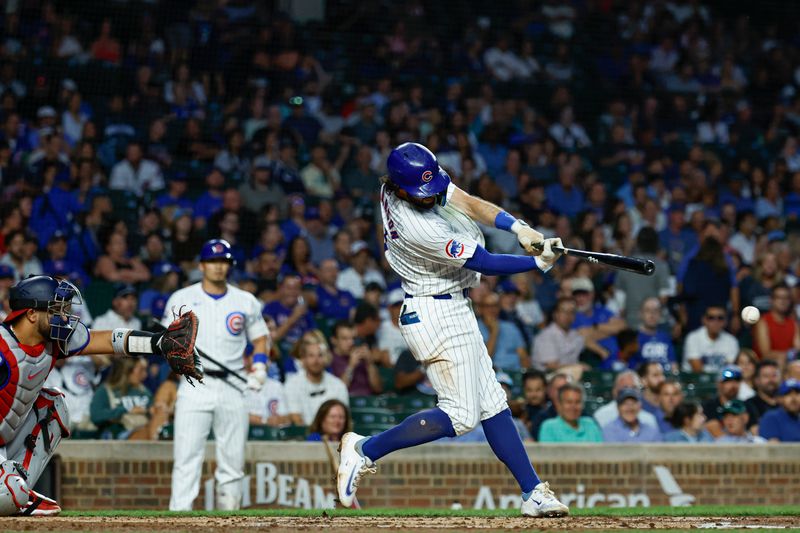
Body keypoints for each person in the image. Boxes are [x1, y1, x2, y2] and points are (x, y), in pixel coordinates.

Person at [337, 142, 569, 517]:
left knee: (493, 403)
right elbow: (485, 261)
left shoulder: (403, 182)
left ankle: (532, 492)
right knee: (461, 416)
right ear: (398, 189)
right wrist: (537, 263)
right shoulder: (418, 227)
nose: (431, 199)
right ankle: (365, 449)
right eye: (422, 195)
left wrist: (518, 227)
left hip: (453, 304)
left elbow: (468, 203)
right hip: (433, 310)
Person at [0, 275, 196, 515]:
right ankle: (14, 491)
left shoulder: (54, 339)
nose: (63, 317)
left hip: (7, 436)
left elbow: (106, 339)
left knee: (53, 406)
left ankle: (19, 490)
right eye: (55, 310)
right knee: (9, 492)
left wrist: (159, 343)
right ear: (31, 314)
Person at [164, 239, 270, 511]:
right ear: (201, 265)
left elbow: (260, 340)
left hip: (233, 386)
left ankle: (229, 519)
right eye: (213, 261)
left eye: (223, 261)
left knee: (233, 462)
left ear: (230, 265)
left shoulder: (245, 301)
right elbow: (167, 343)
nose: (218, 267)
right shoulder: (182, 298)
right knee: (186, 459)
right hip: (194, 382)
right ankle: (178, 520)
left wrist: (258, 368)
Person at [285, 338, 349, 426]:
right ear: (303, 360)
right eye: (311, 356)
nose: (316, 360)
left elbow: (342, 419)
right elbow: (296, 418)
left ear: (326, 358)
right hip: (304, 437)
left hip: (333, 437)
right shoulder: (292, 385)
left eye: (320, 355)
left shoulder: (338, 385)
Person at [89, 357, 152, 439]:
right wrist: (127, 410)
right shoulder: (105, 390)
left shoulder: (143, 391)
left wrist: (153, 410)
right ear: (127, 370)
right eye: (141, 370)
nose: (145, 375)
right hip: (118, 434)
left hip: (144, 429)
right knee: (145, 433)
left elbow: (151, 408)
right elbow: (96, 416)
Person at [477, 292, 529, 371]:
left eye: (495, 306)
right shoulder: (474, 330)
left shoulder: (511, 327)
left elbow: (523, 357)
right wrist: (494, 332)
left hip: (514, 373)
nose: (492, 310)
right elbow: (483, 362)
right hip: (491, 375)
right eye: (487, 306)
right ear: (480, 309)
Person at [329, 320, 383, 396]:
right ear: (334, 340)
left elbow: (378, 389)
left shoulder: (362, 356)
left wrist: (370, 363)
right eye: (345, 339)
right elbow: (337, 391)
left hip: (369, 401)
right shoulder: (328, 359)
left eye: (353, 338)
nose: (351, 342)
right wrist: (351, 366)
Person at [531, 297, 585, 372]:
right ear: (555, 314)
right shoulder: (545, 336)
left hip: (571, 377)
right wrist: (579, 367)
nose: (568, 315)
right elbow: (551, 366)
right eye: (564, 311)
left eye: (572, 312)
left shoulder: (576, 335)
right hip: (547, 378)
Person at [753, 284, 800, 368]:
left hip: (789, 365)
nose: (783, 301)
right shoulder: (763, 322)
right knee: (780, 359)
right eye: (779, 297)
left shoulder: (793, 323)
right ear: (771, 300)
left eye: (786, 298)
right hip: (766, 367)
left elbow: (798, 349)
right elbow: (766, 353)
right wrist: (787, 355)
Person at [538, 383, 604, 443]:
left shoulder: (590, 424)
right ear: (559, 405)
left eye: (577, 402)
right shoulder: (549, 427)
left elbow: (601, 453)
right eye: (569, 402)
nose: (573, 407)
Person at [682, 306, 740, 373]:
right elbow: (697, 369)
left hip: (721, 381)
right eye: (711, 318)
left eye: (720, 318)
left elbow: (730, 368)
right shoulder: (693, 338)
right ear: (704, 320)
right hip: (694, 380)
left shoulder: (731, 341)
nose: (716, 322)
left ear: (725, 321)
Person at [593, 370, 658, 428]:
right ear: (615, 391)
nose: (629, 391)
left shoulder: (649, 419)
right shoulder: (602, 415)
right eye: (625, 387)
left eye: (634, 388)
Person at [629, 298, 676, 372]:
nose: (652, 314)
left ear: (660, 314)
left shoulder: (665, 337)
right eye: (647, 310)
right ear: (641, 314)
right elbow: (632, 368)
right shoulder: (634, 338)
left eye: (655, 311)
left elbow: (673, 364)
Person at [702, 365, 744, 438]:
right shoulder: (709, 406)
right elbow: (711, 428)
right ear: (719, 384)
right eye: (728, 381)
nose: (733, 385)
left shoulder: (746, 405)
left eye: (737, 381)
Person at [744, 360, 781, 430]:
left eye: (774, 375)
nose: (771, 380)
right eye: (766, 376)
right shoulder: (749, 405)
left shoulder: (786, 404)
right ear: (757, 380)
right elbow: (754, 430)